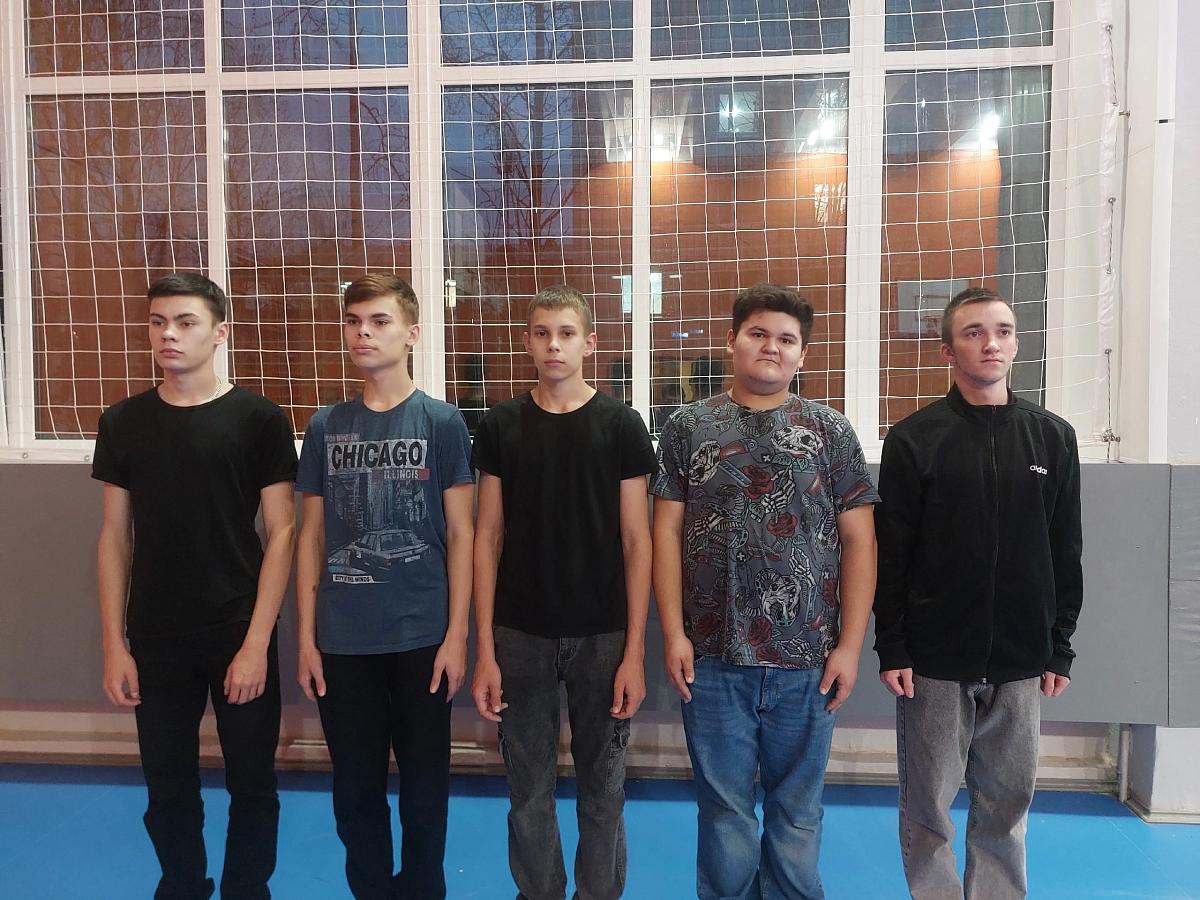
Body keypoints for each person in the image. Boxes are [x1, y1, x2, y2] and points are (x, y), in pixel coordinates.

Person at [651, 283, 878, 900]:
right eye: (758, 334)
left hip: (807, 660)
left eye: (786, 339)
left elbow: (860, 541)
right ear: (732, 341)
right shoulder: (688, 427)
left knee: (797, 813)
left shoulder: (829, 431)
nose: (771, 347)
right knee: (724, 812)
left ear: (802, 353)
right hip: (713, 657)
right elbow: (665, 533)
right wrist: (673, 633)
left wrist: (849, 646)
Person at [873, 286, 1084, 900]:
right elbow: (894, 553)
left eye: (1002, 331)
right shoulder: (915, 439)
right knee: (928, 807)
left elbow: (1065, 549)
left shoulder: (1053, 438)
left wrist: (1059, 645)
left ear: (1016, 344)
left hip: (1022, 656)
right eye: (973, 332)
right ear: (948, 349)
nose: (990, 343)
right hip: (934, 659)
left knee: (1006, 806)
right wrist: (894, 646)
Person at [94, 272, 298, 900]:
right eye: (158, 323)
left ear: (219, 332)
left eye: (185, 323)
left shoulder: (259, 419)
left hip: (237, 627)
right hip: (156, 634)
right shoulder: (123, 421)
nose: (169, 335)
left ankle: (246, 889)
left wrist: (257, 643)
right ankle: (182, 884)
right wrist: (114, 644)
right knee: (167, 783)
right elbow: (114, 537)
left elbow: (283, 531)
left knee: (252, 783)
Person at [470, 284, 656, 900]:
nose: (554, 345)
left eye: (567, 334)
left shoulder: (621, 426)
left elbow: (637, 540)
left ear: (590, 344)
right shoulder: (501, 425)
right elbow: (487, 536)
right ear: (527, 343)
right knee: (528, 790)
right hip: (519, 632)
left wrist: (634, 652)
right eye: (543, 333)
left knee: (603, 790)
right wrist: (485, 648)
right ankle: (539, 892)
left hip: (602, 635)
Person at [295, 274, 474, 900]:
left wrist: (457, 636)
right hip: (344, 640)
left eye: (378, 321)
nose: (363, 333)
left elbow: (462, 533)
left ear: (412, 333)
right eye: (353, 321)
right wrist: (307, 639)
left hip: (423, 635)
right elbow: (310, 536)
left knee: (425, 791)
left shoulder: (442, 422)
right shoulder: (326, 425)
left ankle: (423, 890)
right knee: (355, 791)